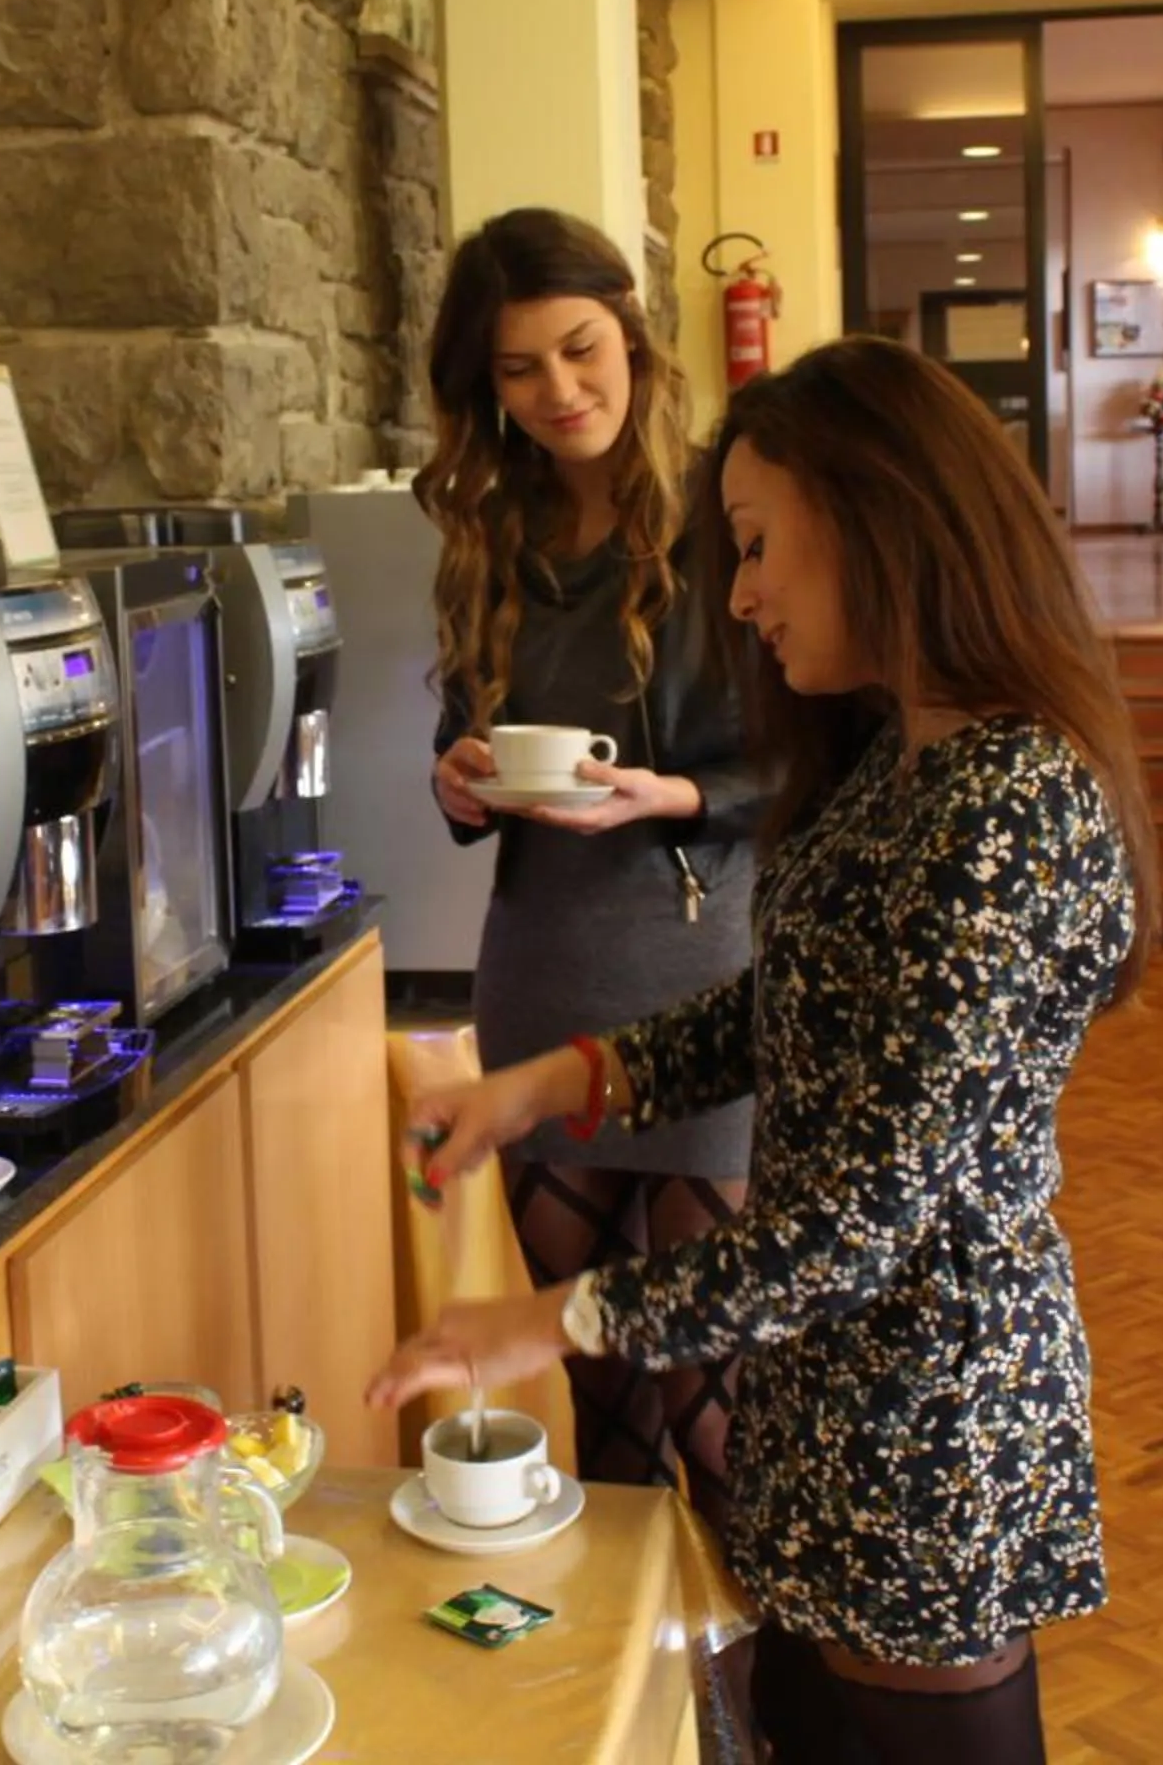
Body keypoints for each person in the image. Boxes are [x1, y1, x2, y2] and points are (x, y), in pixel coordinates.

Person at [372, 336, 1159, 1764]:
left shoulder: (1007, 810)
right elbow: (782, 1008)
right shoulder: (900, 756)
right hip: (835, 1389)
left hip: (928, 1412)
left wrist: (542, 1321)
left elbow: (852, 1230)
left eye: (753, 545)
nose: (737, 594)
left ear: (878, 520)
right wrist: (544, 1086)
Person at [412, 207, 766, 1524]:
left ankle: (749, 1660)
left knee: (716, 1411)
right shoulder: (488, 532)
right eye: (519, 370)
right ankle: (646, 1662)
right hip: (544, 977)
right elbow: (465, 734)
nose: (560, 391)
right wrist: (454, 774)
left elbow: (820, 748)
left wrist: (681, 795)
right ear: (485, 389)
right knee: (606, 1414)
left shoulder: (729, 509)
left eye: (580, 349)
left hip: (706, 981)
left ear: (631, 334)